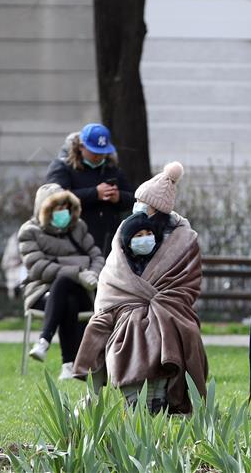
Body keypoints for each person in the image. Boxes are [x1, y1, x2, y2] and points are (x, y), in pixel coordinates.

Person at [74, 162, 208, 414]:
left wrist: (157, 303)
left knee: (161, 326)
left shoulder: (184, 240)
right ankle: (101, 395)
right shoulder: (125, 231)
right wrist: (130, 301)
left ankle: (157, 396)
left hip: (170, 306)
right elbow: (113, 274)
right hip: (123, 303)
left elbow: (188, 284)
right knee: (103, 325)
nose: (137, 206)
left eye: (142, 202)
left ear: (156, 209)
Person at [18, 183, 105, 380]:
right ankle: (69, 365)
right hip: (42, 292)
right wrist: (77, 270)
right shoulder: (29, 231)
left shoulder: (79, 227)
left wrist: (93, 273)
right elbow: (38, 267)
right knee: (65, 290)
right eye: (58, 207)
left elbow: (97, 256)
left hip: (84, 289)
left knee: (66, 287)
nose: (63, 211)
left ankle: (44, 342)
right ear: (45, 208)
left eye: (66, 207)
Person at [45, 123, 134, 255]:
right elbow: (55, 199)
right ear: (81, 147)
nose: (98, 157)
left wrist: (118, 197)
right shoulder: (63, 167)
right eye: (94, 152)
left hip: (107, 242)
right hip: (73, 241)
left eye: (102, 153)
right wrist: (94, 193)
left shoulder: (112, 169)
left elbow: (133, 198)